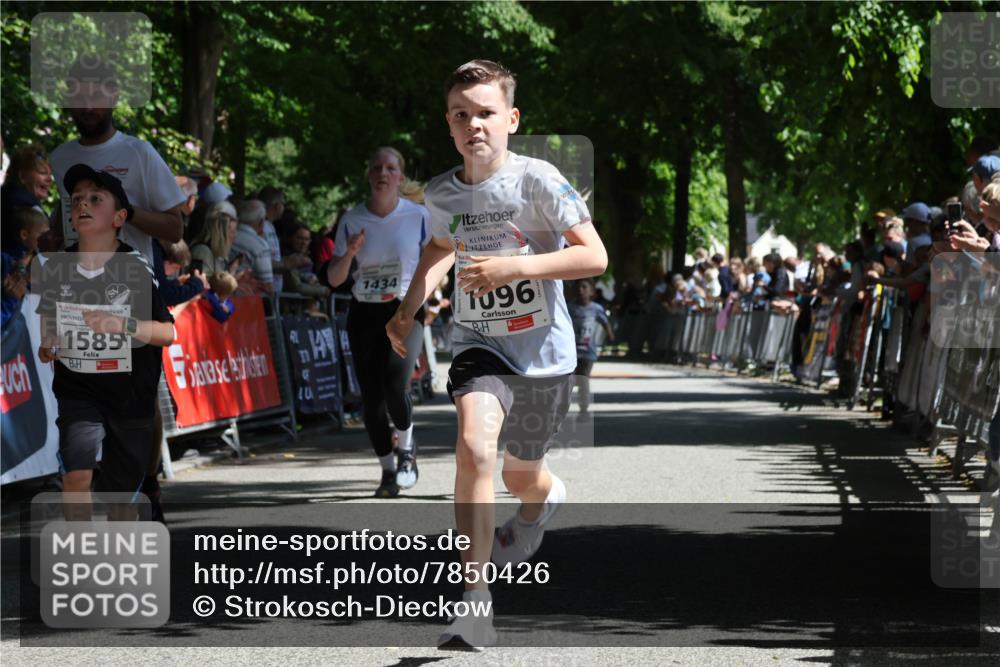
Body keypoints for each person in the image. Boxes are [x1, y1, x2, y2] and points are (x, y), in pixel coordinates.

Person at [385, 60, 607, 649]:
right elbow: (439, 246)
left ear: (510, 119)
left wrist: (516, 266)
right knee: (472, 448)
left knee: (520, 475)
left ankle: (542, 503)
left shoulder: (539, 180)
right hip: (479, 345)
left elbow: (594, 257)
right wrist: (407, 311)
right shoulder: (441, 192)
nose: (473, 124)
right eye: (461, 115)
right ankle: (475, 600)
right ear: (449, 125)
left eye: (485, 113)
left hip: (545, 356)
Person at [34, 165, 174, 518]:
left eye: (96, 199)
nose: (83, 204)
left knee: (118, 500)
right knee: (77, 477)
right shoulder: (56, 267)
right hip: (78, 391)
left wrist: (120, 324)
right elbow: (49, 321)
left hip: (129, 396)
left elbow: (167, 332)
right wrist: (48, 342)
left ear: (119, 217)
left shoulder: (135, 267)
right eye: (77, 199)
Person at [328, 147, 430, 497]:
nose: (383, 173)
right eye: (376, 167)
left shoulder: (417, 216)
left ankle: (406, 449)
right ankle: (387, 471)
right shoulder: (352, 219)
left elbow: (436, 263)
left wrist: (426, 296)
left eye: (391, 168)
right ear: (369, 175)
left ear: (400, 177)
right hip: (364, 311)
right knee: (370, 400)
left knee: (395, 385)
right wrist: (351, 252)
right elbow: (334, 278)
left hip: (404, 309)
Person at [49, 58, 185, 264]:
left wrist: (123, 211)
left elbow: (175, 230)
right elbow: (67, 216)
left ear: (114, 96)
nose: (87, 107)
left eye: (96, 97)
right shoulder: (60, 157)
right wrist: (53, 238)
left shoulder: (140, 153)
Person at [568, 278, 613, 418]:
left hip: (588, 352)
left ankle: (584, 409)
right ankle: (561, 409)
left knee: (583, 380)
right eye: (578, 287)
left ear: (591, 291)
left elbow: (605, 322)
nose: (580, 290)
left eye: (584, 287)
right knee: (568, 381)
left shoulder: (596, 309)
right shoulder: (569, 307)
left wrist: (610, 335)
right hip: (571, 352)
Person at [2, 207, 50, 328]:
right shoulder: (10, 259)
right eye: (43, 234)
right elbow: (20, 278)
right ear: (24, 234)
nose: (47, 238)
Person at [230, 200, 275, 295]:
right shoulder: (259, 245)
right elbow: (267, 285)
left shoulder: (228, 235)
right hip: (247, 300)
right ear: (261, 222)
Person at [0, 143, 53, 220]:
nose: (50, 180)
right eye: (43, 173)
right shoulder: (26, 209)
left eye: (50, 174)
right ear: (22, 176)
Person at [190, 201, 239, 277]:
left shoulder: (220, 252)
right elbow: (201, 285)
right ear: (221, 233)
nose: (235, 235)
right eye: (232, 231)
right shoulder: (202, 252)